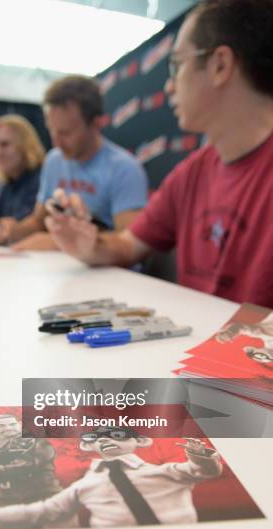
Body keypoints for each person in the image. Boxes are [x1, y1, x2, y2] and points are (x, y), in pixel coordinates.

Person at [46, 0, 273, 308]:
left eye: (176, 66)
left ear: (220, 65)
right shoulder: (192, 172)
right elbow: (128, 245)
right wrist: (90, 244)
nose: (168, 87)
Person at [0, 75, 148, 250]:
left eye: (65, 133)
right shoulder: (53, 160)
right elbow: (38, 221)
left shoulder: (124, 168)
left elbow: (128, 242)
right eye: (52, 131)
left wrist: (61, 242)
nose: (56, 142)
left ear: (95, 124)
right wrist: (11, 230)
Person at [0, 428, 222, 529]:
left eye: (116, 434)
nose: (105, 440)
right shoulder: (84, 486)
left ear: (140, 441)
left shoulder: (165, 472)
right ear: (88, 446)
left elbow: (202, 471)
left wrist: (201, 456)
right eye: (95, 437)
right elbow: (44, 510)